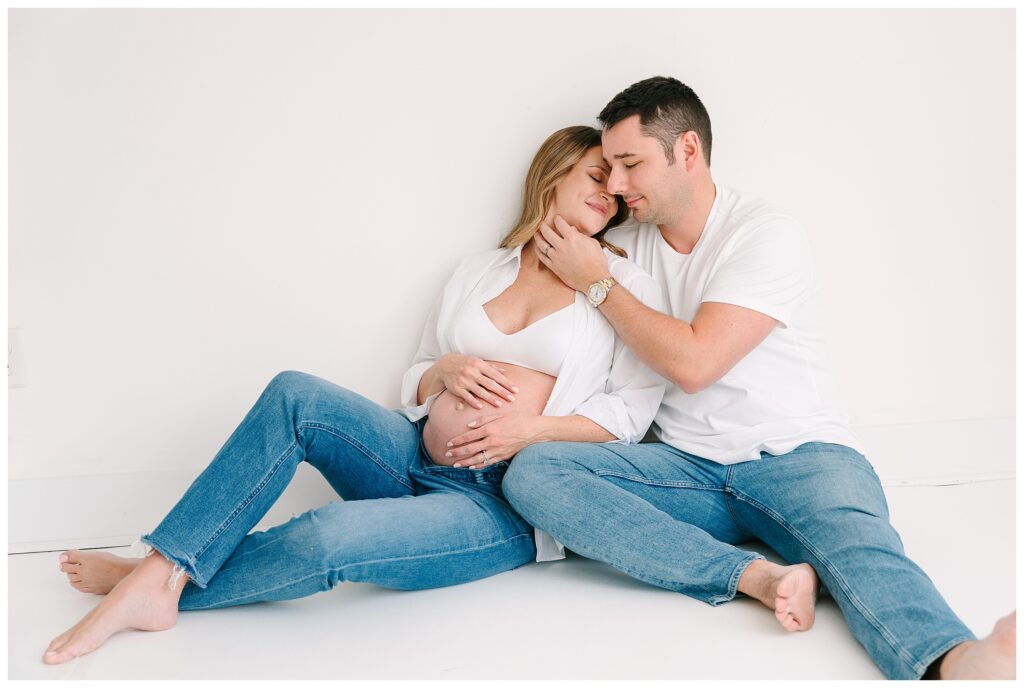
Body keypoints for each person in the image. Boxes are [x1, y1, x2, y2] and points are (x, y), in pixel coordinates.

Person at [43, 125, 667, 665]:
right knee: (295, 393)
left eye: (617, 186)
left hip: (498, 503)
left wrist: (527, 431)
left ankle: (158, 578)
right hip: (410, 456)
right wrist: (444, 371)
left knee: (329, 539)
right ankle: (166, 569)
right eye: (595, 173)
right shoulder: (482, 269)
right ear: (552, 173)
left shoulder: (620, 284)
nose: (609, 190)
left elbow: (629, 416)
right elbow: (416, 376)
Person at [501, 77, 1016, 680]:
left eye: (630, 164)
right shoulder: (621, 246)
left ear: (687, 152)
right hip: (687, 467)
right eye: (608, 167)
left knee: (859, 548)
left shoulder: (764, 234)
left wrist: (598, 282)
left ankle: (955, 661)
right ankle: (753, 576)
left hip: (799, 455)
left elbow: (696, 364)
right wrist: (449, 372)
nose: (615, 186)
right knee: (537, 470)